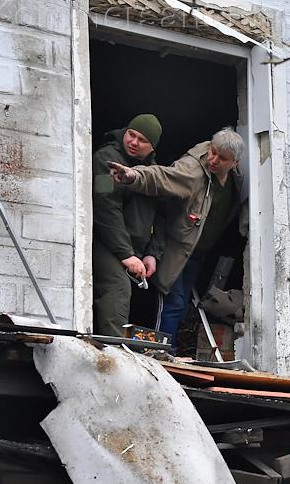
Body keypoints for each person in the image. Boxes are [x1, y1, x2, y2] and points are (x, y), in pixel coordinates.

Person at [108, 127, 245, 349]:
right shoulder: (193, 170)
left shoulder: (235, 179)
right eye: (212, 152)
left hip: (196, 253)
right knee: (173, 304)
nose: (213, 160)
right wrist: (134, 176)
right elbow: (163, 177)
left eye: (222, 158)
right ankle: (162, 354)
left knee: (181, 308)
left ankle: (167, 351)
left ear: (235, 163)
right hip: (173, 249)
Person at [91, 114, 163, 337]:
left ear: (152, 148)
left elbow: (160, 215)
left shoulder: (152, 172)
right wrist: (126, 254)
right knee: (117, 286)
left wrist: (152, 253)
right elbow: (104, 206)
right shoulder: (107, 161)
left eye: (142, 140)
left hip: (134, 250)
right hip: (105, 241)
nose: (133, 142)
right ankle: (113, 350)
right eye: (131, 134)